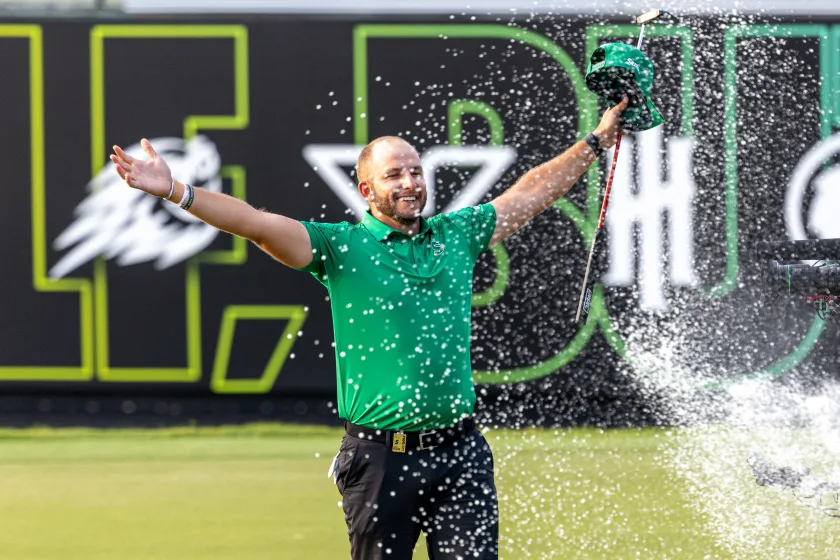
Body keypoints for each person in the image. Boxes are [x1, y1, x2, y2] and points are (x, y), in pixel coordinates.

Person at [109, 96, 628, 559]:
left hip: (462, 453)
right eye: (394, 175)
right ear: (366, 189)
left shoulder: (459, 233)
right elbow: (254, 223)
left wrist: (595, 142)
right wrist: (174, 190)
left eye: (415, 172)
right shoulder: (340, 247)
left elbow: (532, 191)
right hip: (381, 460)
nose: (410, 183)